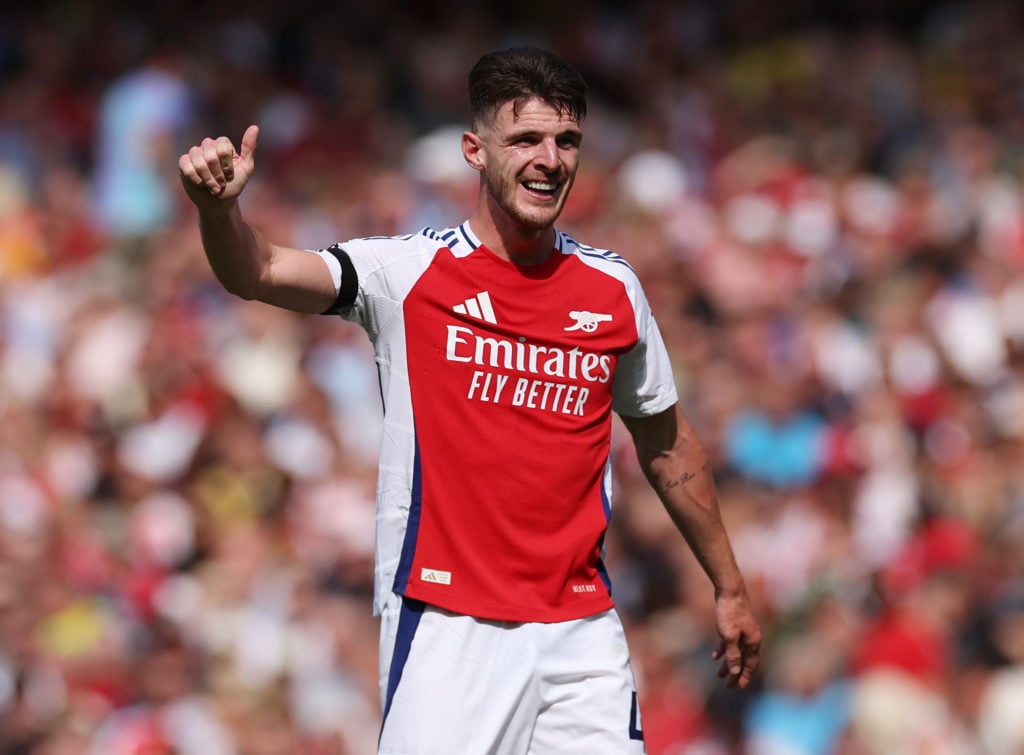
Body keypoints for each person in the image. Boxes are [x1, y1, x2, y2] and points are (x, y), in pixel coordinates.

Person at [178, 46, 760, 754]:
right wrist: (220, 211)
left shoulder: (614, 290)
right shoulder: (407, 273)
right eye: (525, 139)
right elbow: (260, 270)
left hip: (582, 631)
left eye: (566, 141)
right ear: (474, 150)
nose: (550, 159)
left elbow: (667, 441)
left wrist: (728, 584)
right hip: (449, 626)